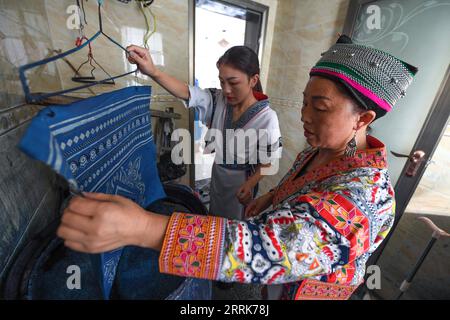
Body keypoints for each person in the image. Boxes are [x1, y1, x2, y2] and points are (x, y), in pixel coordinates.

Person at [57, 35, 418, 300]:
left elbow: (267, 247)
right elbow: (298, 185)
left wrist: (144, 228)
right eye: (305, 103)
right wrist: (274, 195)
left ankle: (227, 284)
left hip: (306, 290)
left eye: (319, 107)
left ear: (364, 118)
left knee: (234, 229)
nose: (304, 117)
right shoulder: (319, 151)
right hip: (239, 211)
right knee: (221, 218)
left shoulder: (365, 196)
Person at [126, 44, 282, 220]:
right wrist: (153, 71)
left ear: (253, 80)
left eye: (233, 82)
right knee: (215, 218)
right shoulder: (218, 100)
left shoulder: (267, 118)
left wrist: (250, 183)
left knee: (234, 227)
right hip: (218, 175)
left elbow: (270, 161)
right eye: (222, 82)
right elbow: (186, 92)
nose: (226, 90)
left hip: (242, 183)